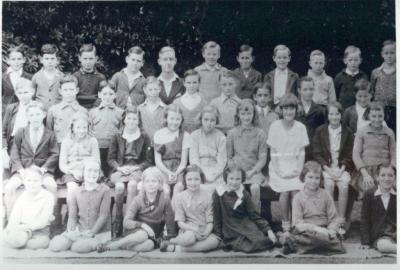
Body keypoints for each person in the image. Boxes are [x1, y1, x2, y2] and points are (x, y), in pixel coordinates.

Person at [97, 167, 176, 252]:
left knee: (149, 245)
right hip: (136, 232)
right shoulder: (138, 199)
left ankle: (124, 246)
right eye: (147, 181)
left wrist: (169, 239)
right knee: (142, 235)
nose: (150, 184)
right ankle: (112, 246)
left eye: (154, 181)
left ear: (159, 183)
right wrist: (143, 225)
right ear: (143, 184)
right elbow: (126, 222)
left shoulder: (164, 199)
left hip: (154, 234)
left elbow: (170, 222)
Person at [5, 101, 58, 219]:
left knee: (52, 186)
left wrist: (44, 168)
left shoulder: (50, 134)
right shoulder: (21, 131)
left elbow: (55, 153)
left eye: (38, 114)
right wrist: (20, 169)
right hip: (24, 170)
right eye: (32, 115)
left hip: (42, 171)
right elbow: (14, 152)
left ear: (44, 115)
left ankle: (51, 219)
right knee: (9, 188)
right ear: (28, 116)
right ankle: (11, 220)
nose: (35, 118)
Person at [108, 106, 153, 237]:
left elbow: (148, 161)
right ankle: (118, 220)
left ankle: (128, 222)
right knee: (120, 186)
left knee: (133, 185)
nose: (132, 121)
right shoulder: (117, 136)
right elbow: (110, 158)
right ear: (124, 120)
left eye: (135, 119)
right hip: (120, 169)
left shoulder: (144, 137)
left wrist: (137, 167)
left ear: (139, 121)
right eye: (129, 118)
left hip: (136, 169)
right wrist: (119, 167)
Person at [49, 158, 111, 253]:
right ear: (83, 172)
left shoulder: (105, 190)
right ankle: (78, 241)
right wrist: (71, 231)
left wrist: (92, 233)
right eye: (89, 170)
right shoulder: (76, 191)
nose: (92, 174)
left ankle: (96, 244)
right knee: (55, 245)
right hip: (80, 230)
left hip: (98, 232)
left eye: (96, 171)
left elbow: (103, 216)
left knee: (77, 248)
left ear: (99, 174)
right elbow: (72, 217)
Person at [267, 93, 309, 233]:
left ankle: (296, 224)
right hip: (278, 165)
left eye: (291, 108)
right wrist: (278, 170)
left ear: (296, 110)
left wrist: (298, 170)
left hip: (295, 165)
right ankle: (285, 225)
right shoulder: (275, 126)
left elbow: (302, 152)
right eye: (285, 109)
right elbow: (273, 152)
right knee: (285, 191)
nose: (288, 112)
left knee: (296, 191)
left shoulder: (301, 127)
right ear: (281, 110)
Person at [212, 163, 276, 253]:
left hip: (245, 225)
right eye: (231, 178)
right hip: (230, 228)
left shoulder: (244, 193)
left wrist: (269, 230)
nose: (234, 182)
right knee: (250, 245)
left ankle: (278, 238)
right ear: (226, 177)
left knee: (261, 240)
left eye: (238, 179)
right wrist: (218, 235)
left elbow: (253, 214)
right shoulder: (218, 193)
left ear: (242, 179)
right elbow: (216, 216)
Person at [312, 102, 354, 230]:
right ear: (327, 116)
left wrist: (341, 169)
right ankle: (330, 218)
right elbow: (317, 153)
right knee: (329, 184)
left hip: (342, 168)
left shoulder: (347, 132)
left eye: (337, 114)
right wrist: (327, 169)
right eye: (331, 114)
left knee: (344, 185)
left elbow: (349, 154)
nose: (334, 117)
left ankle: (341, 220)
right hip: (327, 168)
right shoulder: (320, 131)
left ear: (341, 115)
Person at [160, 165, 220, 252]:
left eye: (196, 179)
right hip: (188, 230)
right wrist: (194, 230)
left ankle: (176, 248)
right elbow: (180, 222)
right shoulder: (180, 197)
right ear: (185, 180)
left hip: (204, 230)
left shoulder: (208, 196)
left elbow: (210, 221)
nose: (193, 183)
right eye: (189, 179)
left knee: (215, 241)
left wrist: (206, 233)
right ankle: (174, 241)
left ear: (201, 179)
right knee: (190, 238)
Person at [289, 161, 345, 255]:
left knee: (332, 240)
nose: (313, 181)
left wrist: (330, 230)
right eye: (310, 177)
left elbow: (334, 218)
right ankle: (319, 246)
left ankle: (305, 247)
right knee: (308, 238)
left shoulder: (326, 195)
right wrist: (316, 229)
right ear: (303, 177)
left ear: (320, 179)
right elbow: (298, 223)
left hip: (325, 231)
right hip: (307, 231)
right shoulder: (298, 197)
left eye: (317, 178)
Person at [226, 99, 267, 213]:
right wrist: (235, 171)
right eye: (243, 114)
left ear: (254, 115)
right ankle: (235, 218)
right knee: (233, 187)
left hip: (253, 172)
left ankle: (255, 217)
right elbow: (229, 157)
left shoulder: (260, 133)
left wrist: (253, 171)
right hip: (237, 172)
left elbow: (262, 158)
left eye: (249, 113)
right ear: (238, 115)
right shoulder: (232, 133)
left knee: (254, 188)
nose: (246, 117)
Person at [3, 166, 54, 250]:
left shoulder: (48, 197)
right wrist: (13, 227)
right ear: (24, 182)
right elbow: (15, 217)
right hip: (22, 230)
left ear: (41, 182)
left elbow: (43, 221)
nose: (32, 184)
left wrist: (25, 227)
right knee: (12, 236)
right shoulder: (22, 197)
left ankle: (19, 243)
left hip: (40, 231)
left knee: (37, 243)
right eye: (28, 180)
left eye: (35, 181)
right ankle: (18, 241)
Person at [352, 102, 396, 199]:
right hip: (367, 171)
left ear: (384, 115)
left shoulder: (389, 132)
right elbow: (356, 155)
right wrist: (365, 174)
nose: (377, 119)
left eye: (380, 116)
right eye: (374, 116)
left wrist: (391, 170)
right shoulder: (362, 131)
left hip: (385, 170)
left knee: (390, 190)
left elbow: (394, 153)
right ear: (368, 116)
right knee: (371, 193)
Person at [58, 112, 100, 208]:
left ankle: (87, 215)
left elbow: (97, 162)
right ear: (72, 127)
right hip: (71, 172)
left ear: (88, 127)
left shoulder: (92, 141)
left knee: (89, 189)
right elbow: (62, 164)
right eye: (78, 128)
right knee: (72, 189)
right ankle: (71, 215)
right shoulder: (66, 141)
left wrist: (85, 170)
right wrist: (72, 171)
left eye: (84, 127)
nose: (81, 131)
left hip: (90, 171)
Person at [154, 104, 191, 197]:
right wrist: (168, 173)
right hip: (163, 168)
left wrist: (175, 173)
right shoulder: (159, 134)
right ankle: (166, 211)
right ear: (166, 118)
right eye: (172, 118)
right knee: (165, 189)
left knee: (178, 187)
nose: (174, 122)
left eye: (178, 119)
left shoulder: (185, 135)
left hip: (179, 169)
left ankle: (176, 210)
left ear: (181, 120)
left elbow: (183, 163)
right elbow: (158, 161)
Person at [89, 80, 123, 176]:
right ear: (99, 94)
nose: (107, 97)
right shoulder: (92, 112)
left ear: (115, 95)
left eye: (110, 94)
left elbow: (121, 131)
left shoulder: (120, 112)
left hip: (113, 150)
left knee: (112, 172)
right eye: (104, 94)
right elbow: (89, 130)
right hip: (97, 149)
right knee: (98, 172)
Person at [190, 105, 227, 193]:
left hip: (216, 172)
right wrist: (203, 174)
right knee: (200, 188)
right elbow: (193, 159)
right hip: (199, 170)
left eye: (212, 120)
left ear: (216, 121)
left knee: (220, 190)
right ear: (201, 120)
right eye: (206, 120)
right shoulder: (194, 135)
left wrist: (214, 174)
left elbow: (222, 160)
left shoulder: (221, 137)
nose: (209, 123)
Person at [360, 163, 396, 254]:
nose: (387, 179)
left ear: (395, 177)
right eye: (383, 175)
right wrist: (365, 242)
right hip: (381, 236)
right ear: (377, 177)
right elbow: (365, 219)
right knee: (383, 246)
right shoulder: (370, 195)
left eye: (390, 175)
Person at [46, 74, 87, 144]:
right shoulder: (53, 110)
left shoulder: (83, 111)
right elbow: (49, 132)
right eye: (65, 90)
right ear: (60, 91)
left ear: (76, 90)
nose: (68, 93)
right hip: (58, 146)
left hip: (77, 147)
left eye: (71, 89)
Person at [2, 78, 34, 167]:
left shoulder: (37, 108)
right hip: (12, 144)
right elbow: (3, 132)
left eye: (26, 92)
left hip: (30, 146)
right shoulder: (11, 108)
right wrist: (4, 151)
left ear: (32, 92)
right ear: (16, 94)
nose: (23, 96)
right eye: (20, 93)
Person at [296, 76, 326, 161]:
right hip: (297, 149)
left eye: (311, 89)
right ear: (299, 91)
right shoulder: (294, 109)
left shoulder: (320, 110)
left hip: (313, 150)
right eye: (305, 89)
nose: (308, 92)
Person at [370, 40, 396, 133]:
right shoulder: (376, 72)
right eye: (386, 53)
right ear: (382, 54)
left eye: (392, 53)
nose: (389, 55)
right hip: (379, 110)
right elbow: (372, 91)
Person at [334, 45, 368, 110]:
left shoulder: (364, 77)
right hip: (343, 110)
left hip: (359, 110)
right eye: (350, 60)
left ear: (360, 61)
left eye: (356, 60)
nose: (353, 63)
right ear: (345, 61)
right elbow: (335, 95)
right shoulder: (339, 77)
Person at [73, 43, 106, 109]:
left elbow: (103, 96)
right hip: (78, 108)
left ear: (96, 59)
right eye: (85, 58)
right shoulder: (75, 76)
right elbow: (72, 95)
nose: (88, 62)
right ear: (80, 58)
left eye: (91, 58)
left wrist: (94, 108)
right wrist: (80, 109)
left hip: (96, 108)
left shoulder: (101, 77)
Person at [31, 44, 64, 110]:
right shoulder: (36, 77)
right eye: (46, 59)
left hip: (57, 112)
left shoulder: (62, 77)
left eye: (52, 59)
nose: (50, 62)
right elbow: (32, 96)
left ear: (57, 60)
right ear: (41, 60)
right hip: (40, 112)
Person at [2, 45, 32, 117]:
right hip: (6, 113)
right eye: (13, 59)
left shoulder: (29, 77)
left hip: (25, 112)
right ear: (7, 60)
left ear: (24, 60)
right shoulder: (2, 78)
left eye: (19, 59)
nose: (16, 62)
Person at [138, 76, 166, 141]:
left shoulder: (166, 108)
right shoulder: (140, 109)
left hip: (161, 144)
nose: (153, 92)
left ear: (160, 89)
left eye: (156, 89)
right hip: (144, 145)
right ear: (145, 90)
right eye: (150, 89)